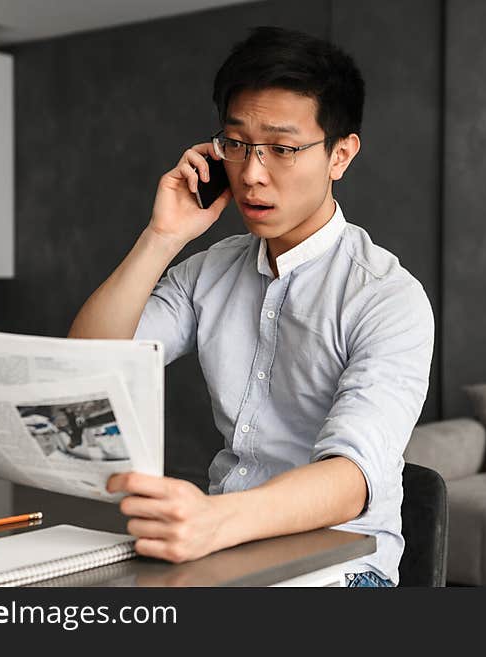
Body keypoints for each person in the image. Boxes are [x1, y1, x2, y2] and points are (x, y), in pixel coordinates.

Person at [68, 26, 434, 587]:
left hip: (343, 568)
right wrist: (163, 236)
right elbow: (86, 370)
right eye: (236, 144)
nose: (252, 173)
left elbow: (351, 477)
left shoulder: (388, 298)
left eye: (282, 149)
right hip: (223, 552)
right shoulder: (209, 269)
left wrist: (212, 520)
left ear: (341, 154)